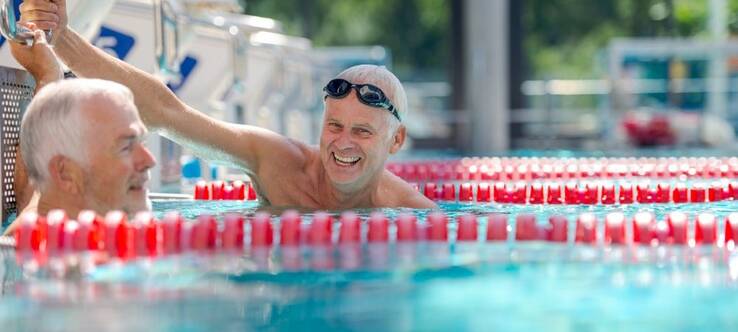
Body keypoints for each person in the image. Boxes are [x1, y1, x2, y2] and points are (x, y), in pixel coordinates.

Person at [18, 0, 437, 210]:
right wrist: (64, 41)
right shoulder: (279, 163)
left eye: (362, 131)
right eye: (334, 125)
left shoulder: (413, 211)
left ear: (396, 140)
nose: (342, 144)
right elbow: (168, 113)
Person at [3, 24, 156, 235]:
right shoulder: (33, 255)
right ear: (65, 173)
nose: (150, 160)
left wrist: (48, 76)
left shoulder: (46, 210)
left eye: (142, 143)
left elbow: (35, 191)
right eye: (126, 147)